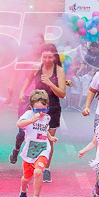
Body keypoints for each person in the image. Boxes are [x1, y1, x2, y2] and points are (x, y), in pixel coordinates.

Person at [10, 44, 65, 183]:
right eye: (44, 57)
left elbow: (62, 93)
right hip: (35, 107)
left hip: (52, 108)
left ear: (54, 57)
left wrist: (50, 84)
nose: (47, 60)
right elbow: (29, 79)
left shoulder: (58, 70)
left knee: (48, 139)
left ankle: (46, 169)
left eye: (50, 57)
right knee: (29, 134)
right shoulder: (36, 67)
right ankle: (26, 158)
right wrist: (22, 92)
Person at [15, 90, 57, 197]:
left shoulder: (47, 118)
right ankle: (24, 189)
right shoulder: (28, 115)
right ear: (31, 108)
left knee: (38, 172)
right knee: (26, 178)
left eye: (44, 109)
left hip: (43, 147)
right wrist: (32, 120)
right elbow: (19, 124)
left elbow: (45, 129)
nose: (41, 113)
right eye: (38, 110)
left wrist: (50, 137)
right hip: (30, 149)